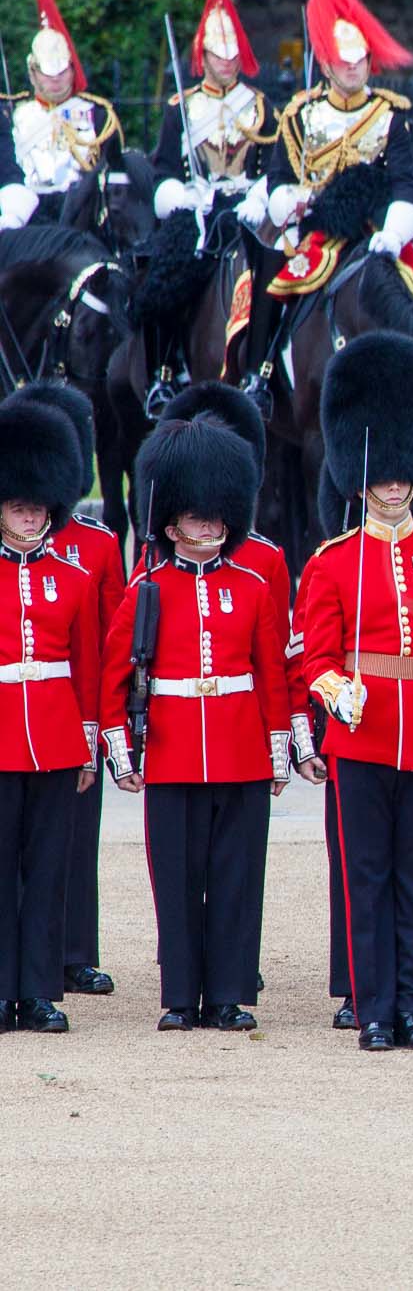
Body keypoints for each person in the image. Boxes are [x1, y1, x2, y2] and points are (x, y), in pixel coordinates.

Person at [293, 332, 413, 1051]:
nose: (394, 486)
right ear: (362, 477)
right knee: (366, 879)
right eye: (382, 476)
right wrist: (338, 692)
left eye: (402, 474)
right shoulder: (333, 563)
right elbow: (315, 656)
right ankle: (374, 1006)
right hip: (362, 741)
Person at [100, 418, 286, 1032]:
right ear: (172, 524)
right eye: (195, 518)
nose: (208, 528)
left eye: (216, 517)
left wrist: (279, 748)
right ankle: (180, 996)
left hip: (240, 751)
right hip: (174, 749)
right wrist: (123, 754)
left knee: (236, 878)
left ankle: (228, 996)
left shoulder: (254, 587)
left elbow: (270, 675)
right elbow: (115, 677)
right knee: (176, 879)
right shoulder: (146, 589)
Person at [238, 0, 413, 396]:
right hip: (318, 229)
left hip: (374, 230)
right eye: (344, 62)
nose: (354, 69)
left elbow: (405, 186)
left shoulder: (389, 115)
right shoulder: (301, 114)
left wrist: (395, 232)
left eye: (360, 60)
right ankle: (260, 371)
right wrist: (293, 199)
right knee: (275, 269)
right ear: (325, 63)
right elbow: (278, 180)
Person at [2, 383, 124, 1001]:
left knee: (65, 849)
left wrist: (98, 724)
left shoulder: (93, 550)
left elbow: (101, 642)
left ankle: (61, 966)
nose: (29, 514)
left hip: (61, 723)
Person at [140, 0, 276, 412]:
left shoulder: (259, 107)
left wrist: (260, 194)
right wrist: (181, 197)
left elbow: (275, 166)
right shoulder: (182, 106)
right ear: (204, 54)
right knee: (170, 269)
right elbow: (161, 173)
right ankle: (165, 370)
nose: (228, 61)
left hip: (246, 211)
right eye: (219, 54)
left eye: (234, 53)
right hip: (197, 211)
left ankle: (265, 368)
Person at [0, 0, 122, 231]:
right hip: (26, 219)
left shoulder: (98, 116)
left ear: (72, 70)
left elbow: (114, 180)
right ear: (32, 73)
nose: (55, 80)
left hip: (83, 218)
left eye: (61, 72)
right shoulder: (11, 114)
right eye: (46, 73)